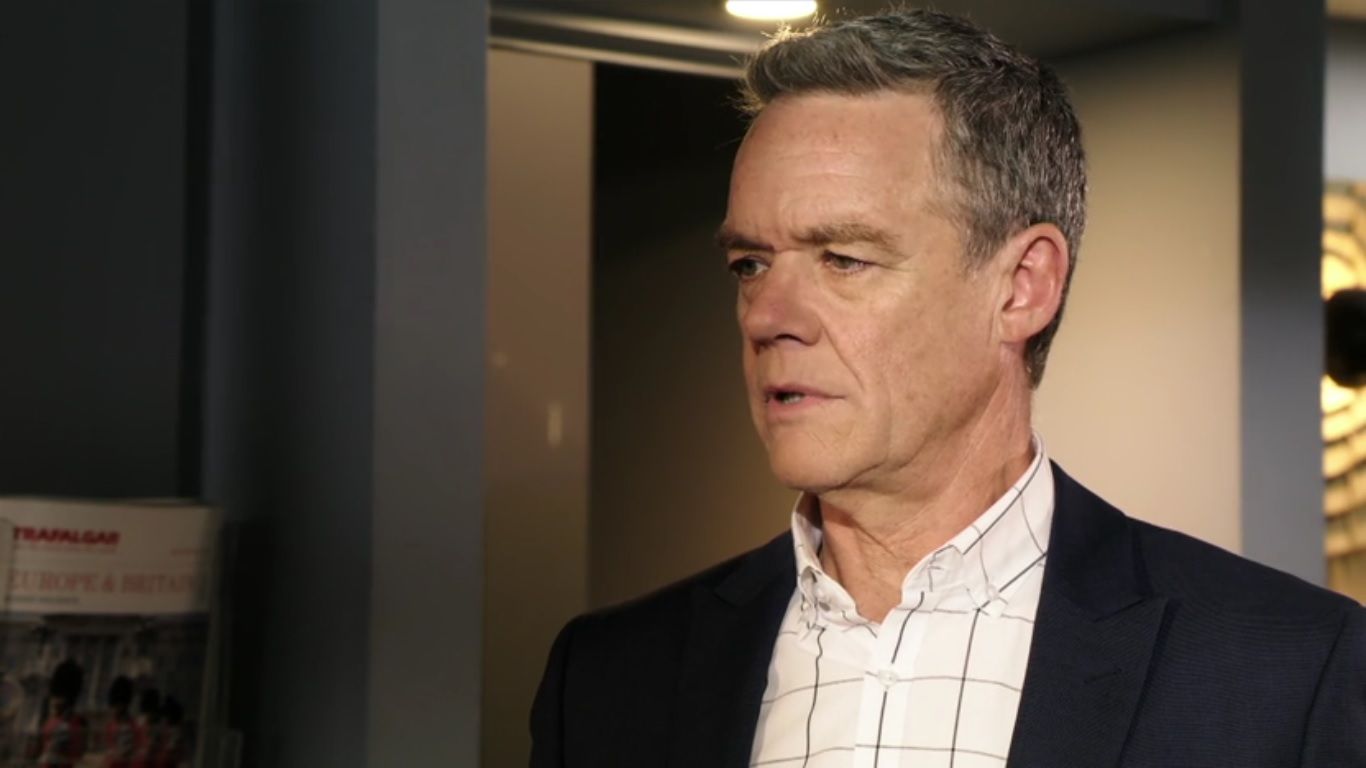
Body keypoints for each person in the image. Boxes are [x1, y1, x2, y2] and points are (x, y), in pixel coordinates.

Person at [530, 9, 1366, 767]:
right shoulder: (609, 679)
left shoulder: (1286, 671)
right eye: (751, 264)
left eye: (843, 259)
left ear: (1022, 287)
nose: (769, 316)